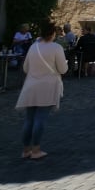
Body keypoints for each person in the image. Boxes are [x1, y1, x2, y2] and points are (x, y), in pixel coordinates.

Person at [15, 20, 68, 158]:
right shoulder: (56, 48)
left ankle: (26, 150)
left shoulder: (33, 47)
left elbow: (25, 68)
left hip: (31, 86)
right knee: (40, 119)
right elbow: (63, 69)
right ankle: (36, 149)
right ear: (52, 33)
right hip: (47, 87)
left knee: (29, 120)